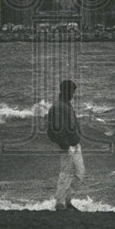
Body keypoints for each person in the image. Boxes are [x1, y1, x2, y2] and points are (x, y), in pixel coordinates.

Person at [47, 79, 84, 211]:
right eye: (71, 92)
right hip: (67, 146)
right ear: (65, 91)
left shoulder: (66, 104)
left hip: (75, 145)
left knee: (80, 174)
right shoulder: (57, 107)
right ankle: (60, 203)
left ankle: (66, 200)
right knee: (65, 174)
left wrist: (78, 135)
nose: (72, 95)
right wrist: (64, 144)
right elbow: (53, 130)